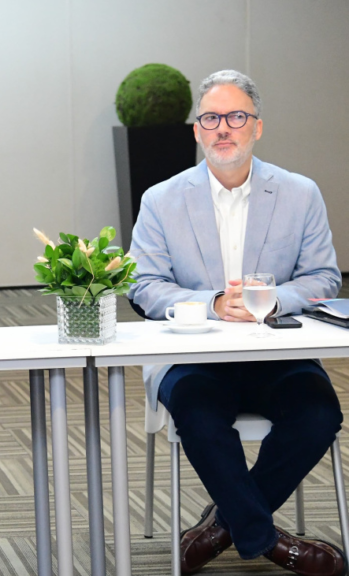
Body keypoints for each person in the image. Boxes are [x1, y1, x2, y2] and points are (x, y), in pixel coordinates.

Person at [129, 71, 344, 576]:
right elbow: (143, 285)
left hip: (277, 353)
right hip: (194, 356)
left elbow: (324, 277)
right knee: (200, 417)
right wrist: (212, 304)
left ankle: (223, 528)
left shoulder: (300, 193)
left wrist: (272, 300)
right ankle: (271, 543)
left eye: (236, 116)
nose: (222, 127)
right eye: (210, 118)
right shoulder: (161, 199)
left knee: (318, 415)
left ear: (257, 127)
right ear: (197, 130)